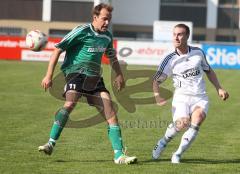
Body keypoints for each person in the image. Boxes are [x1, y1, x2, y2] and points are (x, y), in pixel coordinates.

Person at [38, 3, 137, 165]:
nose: (107, 23)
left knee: (110, 109)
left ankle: (119, 156)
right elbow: (57, 49)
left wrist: (119, 74)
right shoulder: (81, 31)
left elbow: (111, 56)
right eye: (104, 19)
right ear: (95, 18)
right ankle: (50, 143)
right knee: (70, 103)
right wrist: (48, 75)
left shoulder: (107, 36)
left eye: (109, 20)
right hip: (75, 73)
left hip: (95, 78)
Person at [152, 23, 229, 163]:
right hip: (181, 98)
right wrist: (157, 97)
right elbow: (156, 81)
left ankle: (177, 154)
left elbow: (209, 70)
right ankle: (162, 142)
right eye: (174, 34)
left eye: (180, 34)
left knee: (197, 119)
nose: (176, 37)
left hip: (200, 97)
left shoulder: (198, 53)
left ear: (187, 36)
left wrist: (219, 88)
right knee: (182, 124)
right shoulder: (169, 59)